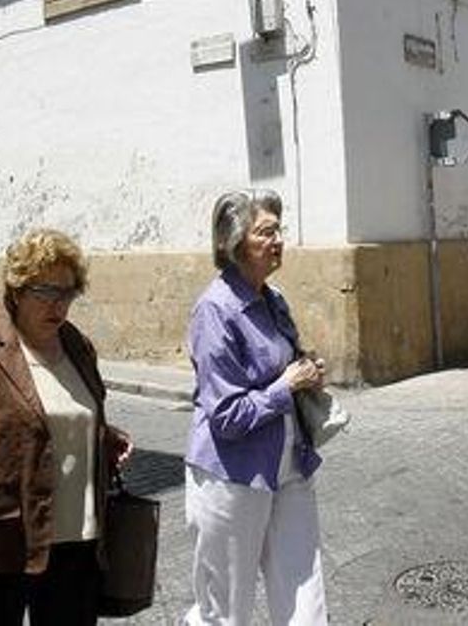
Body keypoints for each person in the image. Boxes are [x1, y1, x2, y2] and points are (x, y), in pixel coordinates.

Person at [0, 228, 133, 625]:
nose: (59, 305)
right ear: (17, 289)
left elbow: (64, 416)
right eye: (45, 292)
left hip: (76, 541)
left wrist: (101, 437)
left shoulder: (76, 344)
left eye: (68, 292)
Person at [185, 189, 329, 625]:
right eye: (266, 232)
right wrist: (286, 386)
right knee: (227, 608)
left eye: (278, 230)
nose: (278, 240)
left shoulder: (273, 297)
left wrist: (306, 369)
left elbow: (284, 362)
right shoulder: (214, 311)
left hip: (288, 466)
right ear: (234, 244)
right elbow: (226, 416)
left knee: (306, 594)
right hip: (232, 475)